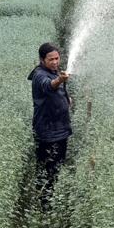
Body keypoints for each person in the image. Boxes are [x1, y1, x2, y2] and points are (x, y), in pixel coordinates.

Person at [27, 42, 72, 203]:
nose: (54, 62)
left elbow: (57, 91)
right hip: (47, 131)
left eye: (57, 58)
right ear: (42, 60)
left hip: (60, 129)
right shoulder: (40, 75)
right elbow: (49, 86)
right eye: (50, 59)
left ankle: (50, 198)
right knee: (46, 167)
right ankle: (43, 202)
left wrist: (66, 99)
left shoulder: (54, 72)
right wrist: (60, 79)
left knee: (57, 165)